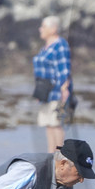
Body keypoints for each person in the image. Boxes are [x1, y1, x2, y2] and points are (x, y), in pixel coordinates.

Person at [33, 15, 73, 151]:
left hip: (56, 91)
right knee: (48, 124)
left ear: (53, 28)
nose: (40, 29)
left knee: (56, 123)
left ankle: (59, 156)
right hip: (44, 91)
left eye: (43, 26)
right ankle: (51, 155)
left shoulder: (60, 45)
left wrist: (65, 89)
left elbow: (64, 69)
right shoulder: (45, 47)